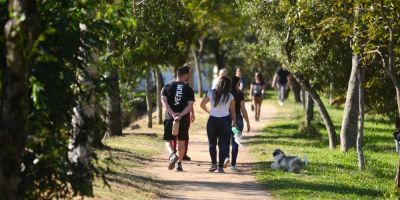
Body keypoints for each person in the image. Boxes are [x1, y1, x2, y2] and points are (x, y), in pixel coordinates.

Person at [161, 66, 195, 172]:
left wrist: (172, 114)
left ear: (177, 74)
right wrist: (180, 115)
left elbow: (164, 103)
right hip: (183, 118)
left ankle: (172, 155)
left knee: (168, 139)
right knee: (182, 141)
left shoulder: (166, 87)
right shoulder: (188, 88)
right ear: (185, 75)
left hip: (170, 118)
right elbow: (189, 105)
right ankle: (179, 164)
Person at [200, 76, 237, 173]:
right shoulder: (230, 96)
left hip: (212, 121)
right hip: (225, 121)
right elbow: (233, 111)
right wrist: (234, 122)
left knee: (212, 143)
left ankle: (213, 165)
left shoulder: (211, 92)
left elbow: (202, 104)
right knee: (223, 144)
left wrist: (210, 112)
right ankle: (220, 167)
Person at [228, 76, 251, 171]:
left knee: (225, 141)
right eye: (239, 83)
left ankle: (225, 159)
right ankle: (233, 165)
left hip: (226, 119)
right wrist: (248, 122)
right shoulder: (239, 94)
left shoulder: (227, 94)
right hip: (237, 119)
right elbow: (243, 110)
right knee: (235, 142)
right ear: (236, 84)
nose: (240, 85)